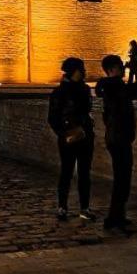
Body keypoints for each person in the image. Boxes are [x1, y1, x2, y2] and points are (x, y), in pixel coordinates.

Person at [94, 53, 137, 232]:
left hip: (118, 136)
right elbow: (135, 92)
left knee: (122, 179)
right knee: (122, 179)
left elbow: (133, 91)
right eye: (119, 67)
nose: (123, 69)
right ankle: (114, 218)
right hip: (118, 138)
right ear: (111, 70)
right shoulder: (112, 86)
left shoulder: (112, 86)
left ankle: (117, 216)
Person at [47, 56, 96, 222]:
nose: (83, 72)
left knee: (85, 173)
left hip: (85, 136)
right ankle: (62, 206)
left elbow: (87, 110)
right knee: (66, 172)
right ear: (72, 71)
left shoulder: (85, 90)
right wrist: (65, 133)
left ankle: (84, 208)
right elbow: (53, 118)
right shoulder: (59, 93)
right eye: (80, 69)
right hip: (68, 137)